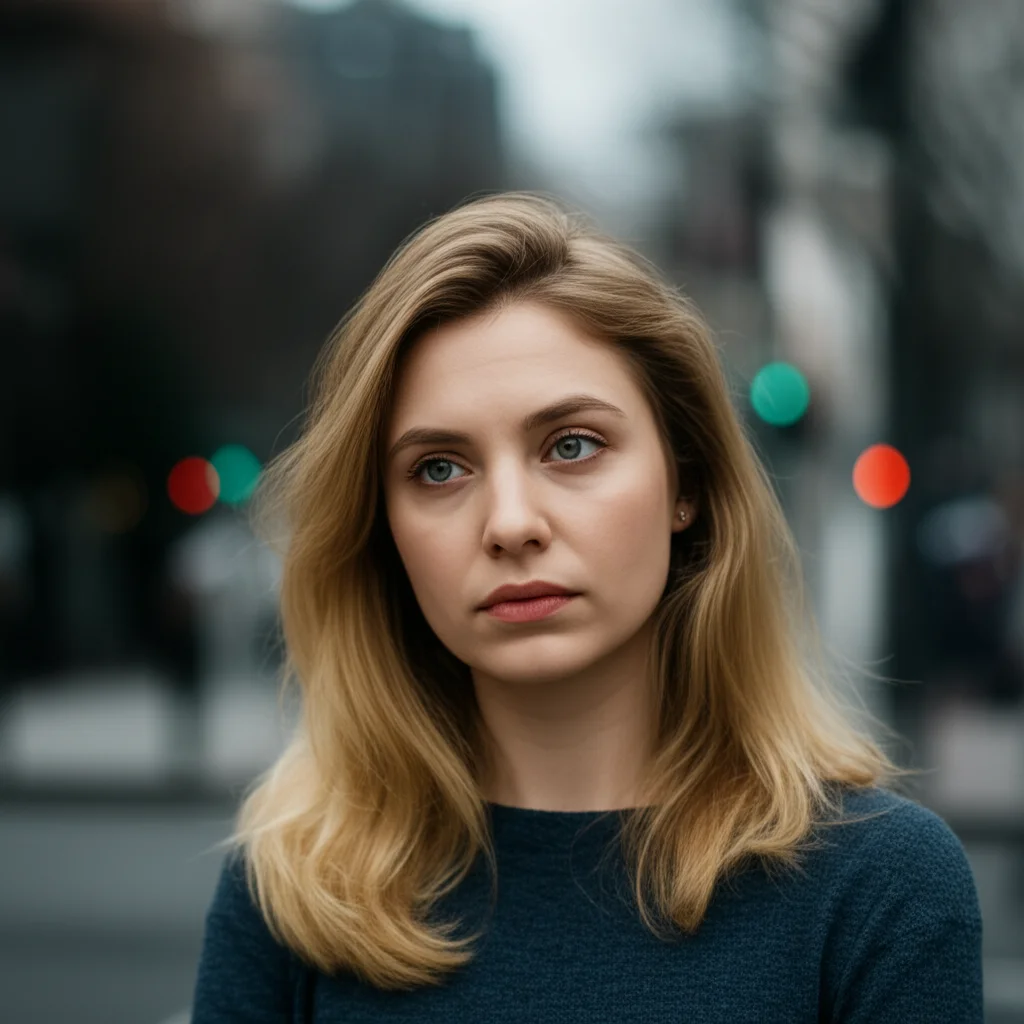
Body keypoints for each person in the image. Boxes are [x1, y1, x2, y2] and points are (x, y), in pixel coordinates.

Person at [190, 192, 983, 1022]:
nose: (510, 524)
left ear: (686, 483)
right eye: (439, 469)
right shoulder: (300, 885)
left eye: (572, 446)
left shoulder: (878, 887)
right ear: (383, 526)